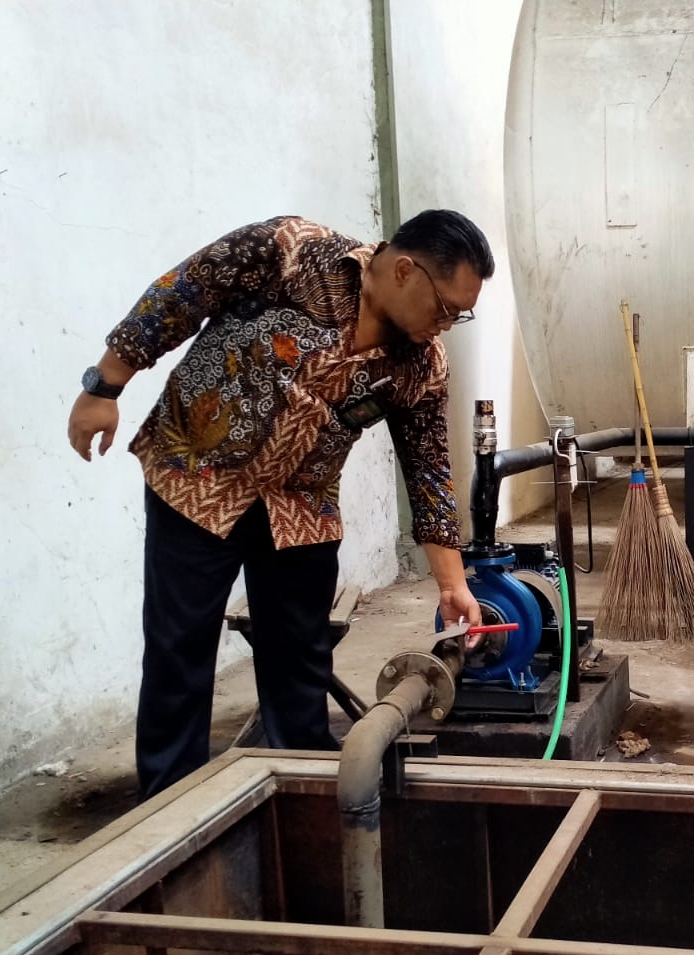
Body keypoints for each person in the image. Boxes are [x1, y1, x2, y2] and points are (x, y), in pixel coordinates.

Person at [66, 211, 490, 798]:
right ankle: (169, 804)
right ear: (403, 271)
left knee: (299, 662)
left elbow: (428, 470)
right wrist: (104, 387)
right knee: (179, 650)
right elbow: (179, 295)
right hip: (198, 480)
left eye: (459, 316)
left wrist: (452, 584)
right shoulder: (290, 252)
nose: (445, 326)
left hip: (299, 506)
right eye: (445, 308)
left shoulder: (421, 365)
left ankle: (304, 790)